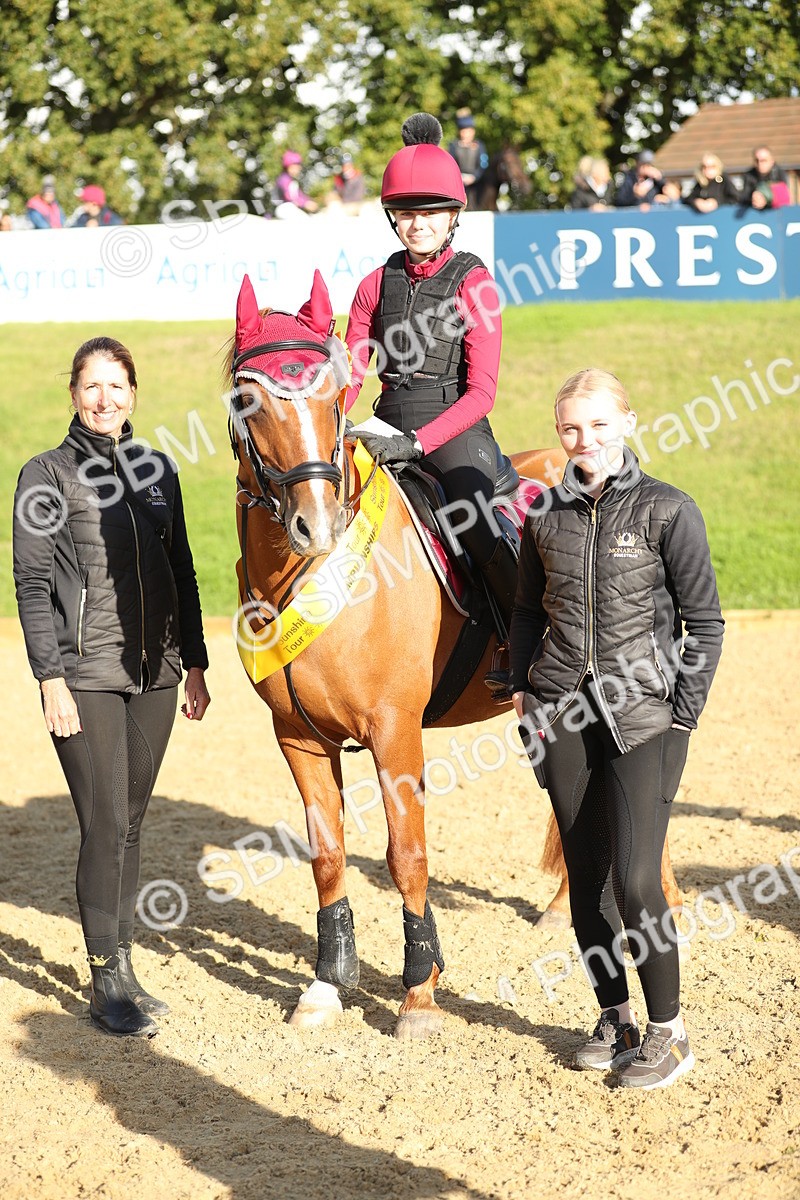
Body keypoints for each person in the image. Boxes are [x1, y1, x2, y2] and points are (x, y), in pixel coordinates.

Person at [510, 368, 724, 1089]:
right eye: (571, 427)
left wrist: (682, 713)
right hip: (561, 713)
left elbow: (706, 626)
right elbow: (525, 612)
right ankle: (616, 1018)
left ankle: (670, 1033)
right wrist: (522, 691)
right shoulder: (543, 512)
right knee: (586, 881)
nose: (585, 440)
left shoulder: (669, 510)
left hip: (645, 720)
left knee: (637, 879)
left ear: (627, 423)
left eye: (599, 425)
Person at [13, 337, 210, 1038]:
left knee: (130, 820)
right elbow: (32, 586)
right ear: (73, 394)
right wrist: (50, 680)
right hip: (84, 674)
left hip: (155, 673)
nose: (105, 400)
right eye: (92, 387)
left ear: (133, 393)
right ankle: (103, 981)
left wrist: (195, 661)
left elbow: (181, 569)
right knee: (103, 824)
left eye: (117, 387)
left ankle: (124, 966)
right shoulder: (46, 474)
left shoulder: (158, 470)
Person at [344, 112, 516, 691]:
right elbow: (352, 371)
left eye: (431, 213)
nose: (418, 224)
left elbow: (483, 391)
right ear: (394, 216)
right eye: (408, 213)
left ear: (452, 217)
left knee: (475, 519)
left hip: (453, 431)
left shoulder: (476, 282)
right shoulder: (373, 284)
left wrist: (417, 443)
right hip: (383, 424)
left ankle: (518, 642)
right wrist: (335, 421)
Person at [447, 108, 489, 210]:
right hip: (458, 183)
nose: (466, 134)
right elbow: (450, 164)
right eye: (464, 131)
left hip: (476, 185)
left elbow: (484, 164)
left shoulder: (479, 146)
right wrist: (460, 177)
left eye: (469, 131)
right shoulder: (454, 146)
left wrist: (475, 177)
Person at [740, 146, 791, 210]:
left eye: (763, 160)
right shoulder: (748, 175)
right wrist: (753, 199)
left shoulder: (780, 174)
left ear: (772, 161)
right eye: (757, 160)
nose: (760, 164)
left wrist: (765, 197)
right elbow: (743, 198)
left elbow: (784, 197)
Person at [273, 150, 319, 217]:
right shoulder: (284, 179)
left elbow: (300, 195)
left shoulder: (292, 181)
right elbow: (289, 196)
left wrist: (309, 201)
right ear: (288, 166)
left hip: (290, 208)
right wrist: (305, 204)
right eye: (296, 166)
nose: (298, 168)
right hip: (283, 208)